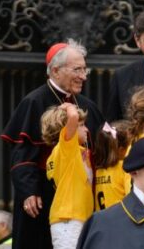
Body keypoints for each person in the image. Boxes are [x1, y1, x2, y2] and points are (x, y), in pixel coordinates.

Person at [0, 39, 104, 249]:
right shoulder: (34, 102)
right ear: (55, 70)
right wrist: (29, 191)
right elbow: (22, 156)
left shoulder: (87, 105)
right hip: (43, 195)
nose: (83, 76)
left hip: (81, 199)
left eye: (85, 69)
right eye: (77, 69)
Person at [41, 103, 94, 248]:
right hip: (69, 220)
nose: (86, 129)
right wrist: (69, 106)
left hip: (77, 218)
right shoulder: (65, 148)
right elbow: (73, 116)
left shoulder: (71, 151)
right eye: (81, 125)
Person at [94, 121, 131, 210]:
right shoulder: (125, 167)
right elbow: (131, 198)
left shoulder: (98, 171)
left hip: (101, 221)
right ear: (121, 150)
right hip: (119, 220)